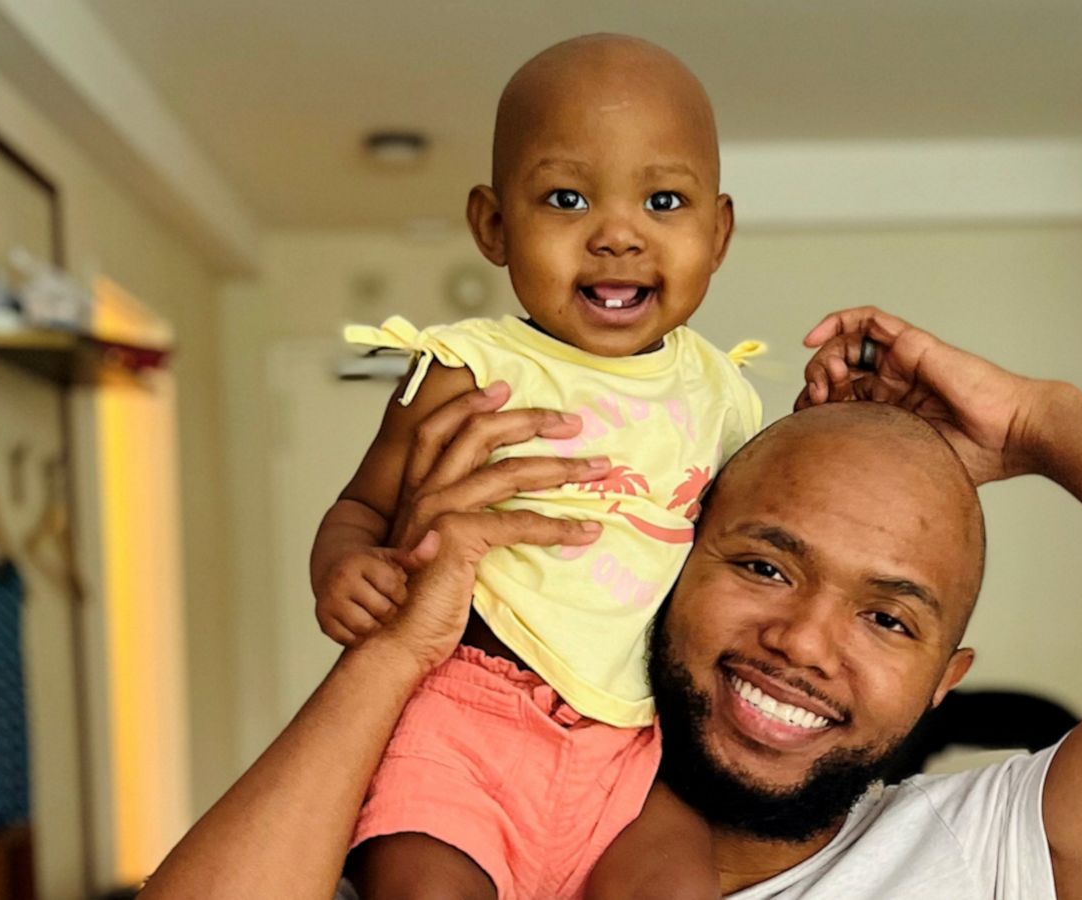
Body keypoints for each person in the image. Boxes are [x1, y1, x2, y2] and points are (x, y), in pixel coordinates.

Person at [144, 308, 1082, 900]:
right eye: (761, 565)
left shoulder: (990, 857)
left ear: (945, 680)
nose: (803, 645)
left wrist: (1043, 422)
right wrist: (402, 649)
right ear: (671, 562)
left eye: (890, 618)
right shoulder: (471, 822)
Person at [309, 34, 761, 900]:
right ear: (493, 225)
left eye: (664, 200)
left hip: (634, 743)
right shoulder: (461, 370)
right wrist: (344, 566)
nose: (618, 236)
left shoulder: (724, 394)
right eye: (566, 198)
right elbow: (361, 506)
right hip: (462, 722)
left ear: (719, 230)